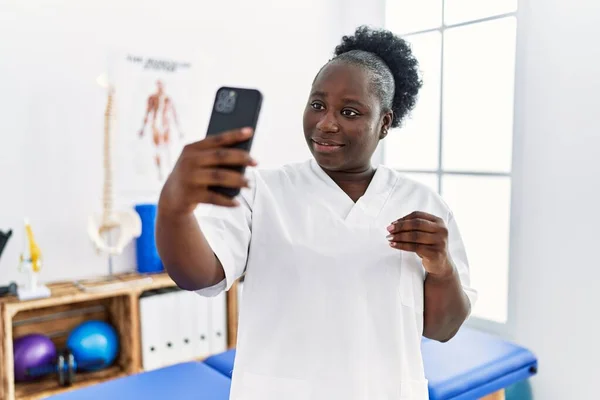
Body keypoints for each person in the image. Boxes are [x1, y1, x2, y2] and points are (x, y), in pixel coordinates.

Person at [156, 26, 477, 400]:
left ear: (385, 123)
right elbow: (199, 275)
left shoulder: (423, 204)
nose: (326, 123)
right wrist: (174, 208)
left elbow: (441, 328)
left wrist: (442, 268)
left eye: (350, 111)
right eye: (317, 105)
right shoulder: (263, 191)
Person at [138, 79, 183, 180]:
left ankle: (170, 172)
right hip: (156, 126)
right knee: (157, 149)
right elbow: (147, 113)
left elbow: (174, 115)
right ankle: (160, 172)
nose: (160, 87)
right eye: (159, 85)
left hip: (166, 126)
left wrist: (179, 130)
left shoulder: (168, 99)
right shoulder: (152, 98)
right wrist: (142, 128)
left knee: (168, 149)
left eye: (162, 85)